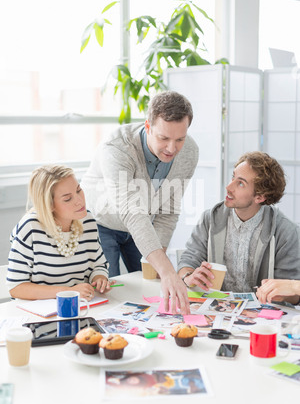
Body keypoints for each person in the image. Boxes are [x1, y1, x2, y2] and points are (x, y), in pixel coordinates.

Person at [81, 91, 199, 314]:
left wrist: (160, 269)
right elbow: (131, 211)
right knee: (109, 292)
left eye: (179, 139)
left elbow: (168, 211)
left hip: (143, 225)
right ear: (148, 127)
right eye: (164, 138)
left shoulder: (189, 152)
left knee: (151, 288)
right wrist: (167, 270)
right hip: (101, 223)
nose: (172, 148)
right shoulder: (117, 147)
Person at [178, 151, 300, 305]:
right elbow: (187, 261)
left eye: (240, 183)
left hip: (262, 318)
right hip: (215, 311)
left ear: (260, 197)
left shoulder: (286, 232)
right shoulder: (210, 219)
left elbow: (293, 296)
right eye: (233, 177)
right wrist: (188, 277)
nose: (229, 187)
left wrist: (280, 291)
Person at [7, 165, 113, 300]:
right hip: (41, 314)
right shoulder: (30, 228)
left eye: (79, 190)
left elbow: (98, 265)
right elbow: (16, 288)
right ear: (49, 205)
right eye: (68, 199)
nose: (79, 201)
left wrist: (100, 278)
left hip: (82, 308)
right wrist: (69, 292)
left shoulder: (87, 221)